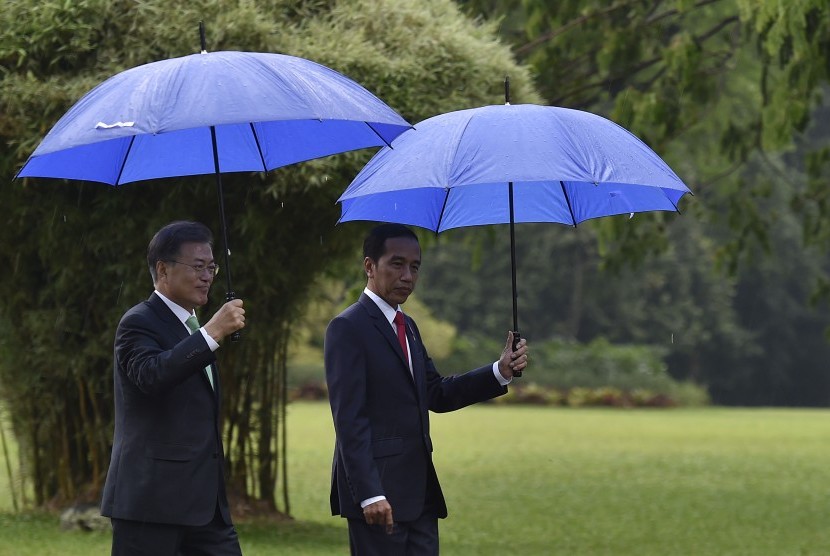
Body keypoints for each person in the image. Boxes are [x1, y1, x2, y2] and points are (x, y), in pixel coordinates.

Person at [324, 223, 528, 555]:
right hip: (378, 498)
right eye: (397, 263)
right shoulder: (347, 328)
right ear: (369, 266)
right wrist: (369, 493)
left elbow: (435, 392)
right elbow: (349, 420)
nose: (408, 275)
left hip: (419, 496)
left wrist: (499, 372)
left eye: (415, 267)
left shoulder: (409, 327)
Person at [101, 220, 246, 556]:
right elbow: (152, 376)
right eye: (197, 266)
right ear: (163, 270)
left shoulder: (192, 327)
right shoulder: (138, 321)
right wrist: (210, 334)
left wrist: (205, 333)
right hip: (151, 504)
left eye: (212, 266)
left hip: (206, 508)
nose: (208, 276)